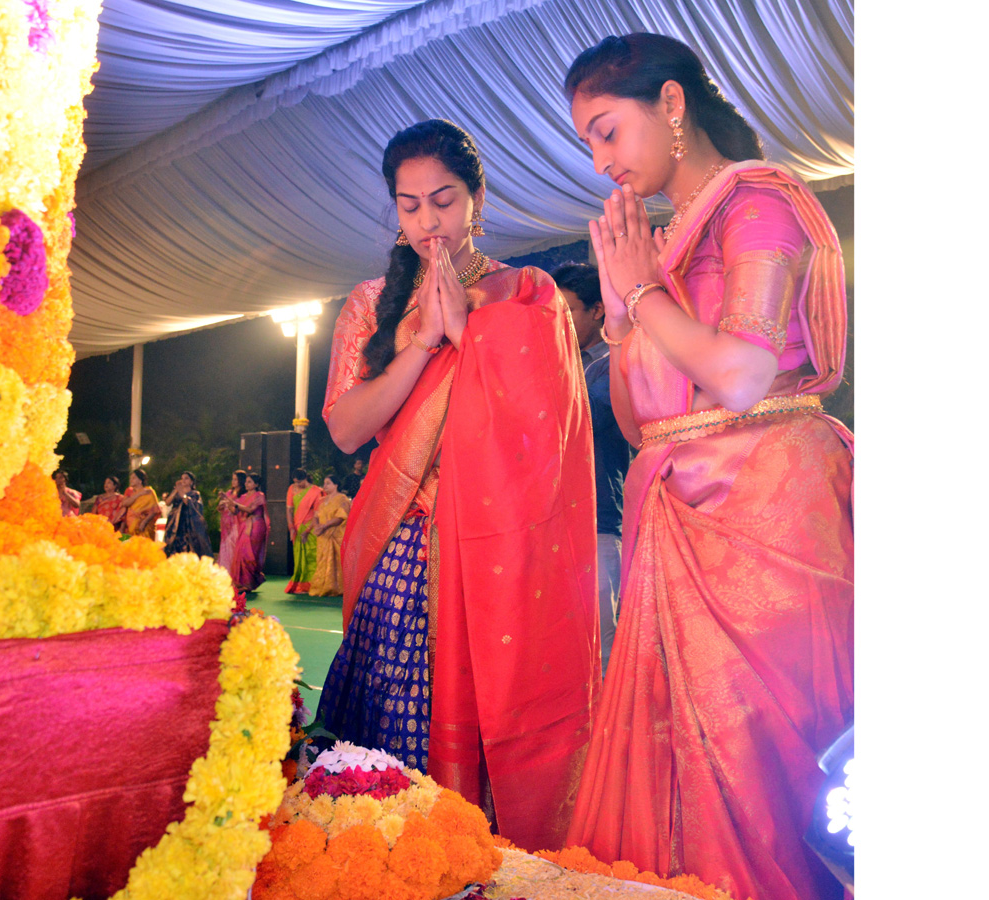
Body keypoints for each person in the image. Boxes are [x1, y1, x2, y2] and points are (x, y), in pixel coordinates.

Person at [559, 34, 853, 900]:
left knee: (760, 762)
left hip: (763, 511)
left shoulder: (759, 203)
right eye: (589, 143)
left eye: (608, 131)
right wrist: (619, 314)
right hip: (677, 506)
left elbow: (742, 374)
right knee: (680, 760)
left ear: (673, 104)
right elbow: (644, 419)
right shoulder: (665, 237)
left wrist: (642, 293)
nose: (601, 159)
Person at [315, 119, 600, 852]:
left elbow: (543, 433)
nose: (427, 222)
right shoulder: (371, 303)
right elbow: (347, 429)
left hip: (495, 550)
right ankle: (387, 859)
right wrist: (422, 339)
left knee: (491, 717)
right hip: (399, 542)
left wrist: (474, 330)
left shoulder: (525, 294)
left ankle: (479, 858)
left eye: (442, 201)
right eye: (409, 206)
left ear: (477, 197)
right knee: (388, 740)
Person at [552, 262, 632, 674]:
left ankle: (607, 737)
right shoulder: (562, 360)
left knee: (602, 650)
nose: (559, 324)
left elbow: (589, 415)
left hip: (599, 524)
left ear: (599, 310)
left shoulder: (616, 363)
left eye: (568, 312)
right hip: (550, 523)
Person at [306, 473, 350, 597]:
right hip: (323, 536)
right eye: (324, 483)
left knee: (337, 561)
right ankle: (322, 586)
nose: (325, 486)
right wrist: (317, 527)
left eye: (328, 483)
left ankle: (338, 588)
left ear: (336, 485)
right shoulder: (321, 500)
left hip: (336, 535)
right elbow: (315, 516)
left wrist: (324, 526)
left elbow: (341, 517)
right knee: (322, 561)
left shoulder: (342, 499)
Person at [285, 468, 324, 593]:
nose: (297, 485)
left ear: (305, 478)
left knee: (311, 555)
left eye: (299, 482)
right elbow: (289, 510)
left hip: (310, 527)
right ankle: (300, 584)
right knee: (298, 556)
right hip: (297, 527)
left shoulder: (317, 491)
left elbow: (318, 514)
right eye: (295, 482)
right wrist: (291, 527)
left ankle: (312, 584)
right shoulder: (292, 489)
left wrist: (307, 530)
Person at [228, 473, 269, 591]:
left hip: (256, 526)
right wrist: (229, 503)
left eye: (250, 482)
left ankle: (249, 583)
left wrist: (235, 504)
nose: (246, 484)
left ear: (256, 484)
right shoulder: (243, 496)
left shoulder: (259, 495)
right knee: (240, 553)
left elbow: (250, 509)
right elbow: (235, 512)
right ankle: (242, 583)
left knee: (249, 554)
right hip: (244, 526)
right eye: (246, 482)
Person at [163, 471, 212, 557]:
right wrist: (175, 491)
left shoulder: (195, 494)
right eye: (182, 478)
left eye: (186, 478)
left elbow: (189, 503)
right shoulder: (177, 492)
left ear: (191, 482)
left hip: (189, 524)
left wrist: (181, 491)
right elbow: (167, 502)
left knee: (188, 546)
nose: (183, 480)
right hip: (176, 524)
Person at [216, 469, 245, 573]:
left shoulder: (242, 495)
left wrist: (227, 501)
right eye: (233, 479)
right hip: (225, 523)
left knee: (233, 547)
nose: (233, 482)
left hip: (236, 524)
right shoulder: (229, 492)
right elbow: (220, 509)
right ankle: (224, 573)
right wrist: (220, 505)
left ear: (241, 481)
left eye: (236, 480)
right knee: (224, 548)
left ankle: (235, 574)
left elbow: (235, 510)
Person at [119, 468, 160, 540]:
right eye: (130, 478)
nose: (131, 480)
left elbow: (154, 510)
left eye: (134, 478)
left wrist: (144, 522)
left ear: (140, 481)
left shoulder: (149, 492)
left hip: (145, 526)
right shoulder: (129, 491)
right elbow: (125, 503)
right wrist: (139, 494)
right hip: (131, 525)